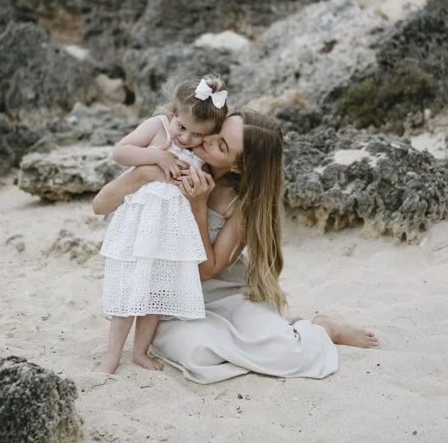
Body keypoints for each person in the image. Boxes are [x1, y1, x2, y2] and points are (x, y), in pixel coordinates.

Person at [92, 108, 378, 383]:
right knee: (196, 352)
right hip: (168, 292)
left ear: (238, 166)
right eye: (216, 132)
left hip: (220, 290)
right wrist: (144, 173)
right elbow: (100, 204)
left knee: (289, 353)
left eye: (221, 145)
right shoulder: (175, 153)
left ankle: (322, 328)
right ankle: (264, 333)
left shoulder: (240, 202)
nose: (206, 139)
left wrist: (199, 207)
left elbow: (208, 271)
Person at [96, 75, 231, 374]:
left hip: (170, 233)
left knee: (156, 293)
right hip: (139, 227)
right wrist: (157, 156)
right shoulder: (159, 127)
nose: (185, 139)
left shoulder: (199, 154)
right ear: (173, 112)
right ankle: (112, 355)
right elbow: (120, 152)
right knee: (130, 292)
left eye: (197, 135)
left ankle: (140, 351)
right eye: (182, 128)